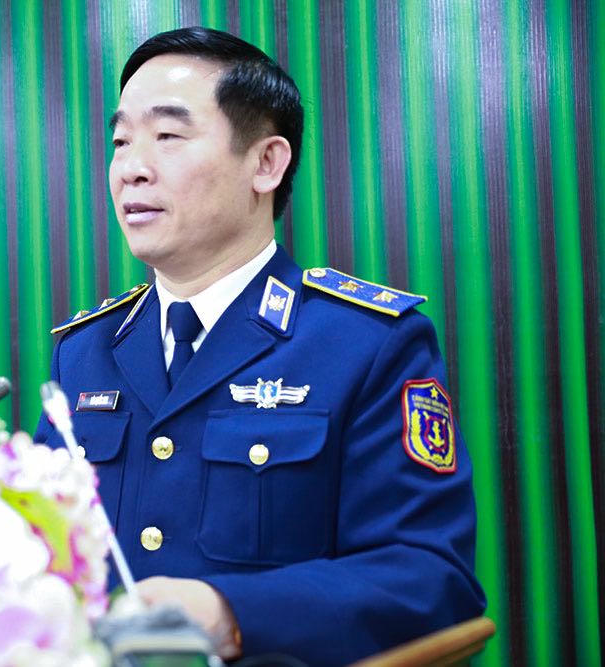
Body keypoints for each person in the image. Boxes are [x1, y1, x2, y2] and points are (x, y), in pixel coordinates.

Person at [34, 27, 485, 664]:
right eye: (121, 141)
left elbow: (430, 581)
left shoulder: (366, 344)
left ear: (266, 163)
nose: (131, 168)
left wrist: (228, 611)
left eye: (168, 136)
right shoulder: (84, 352)